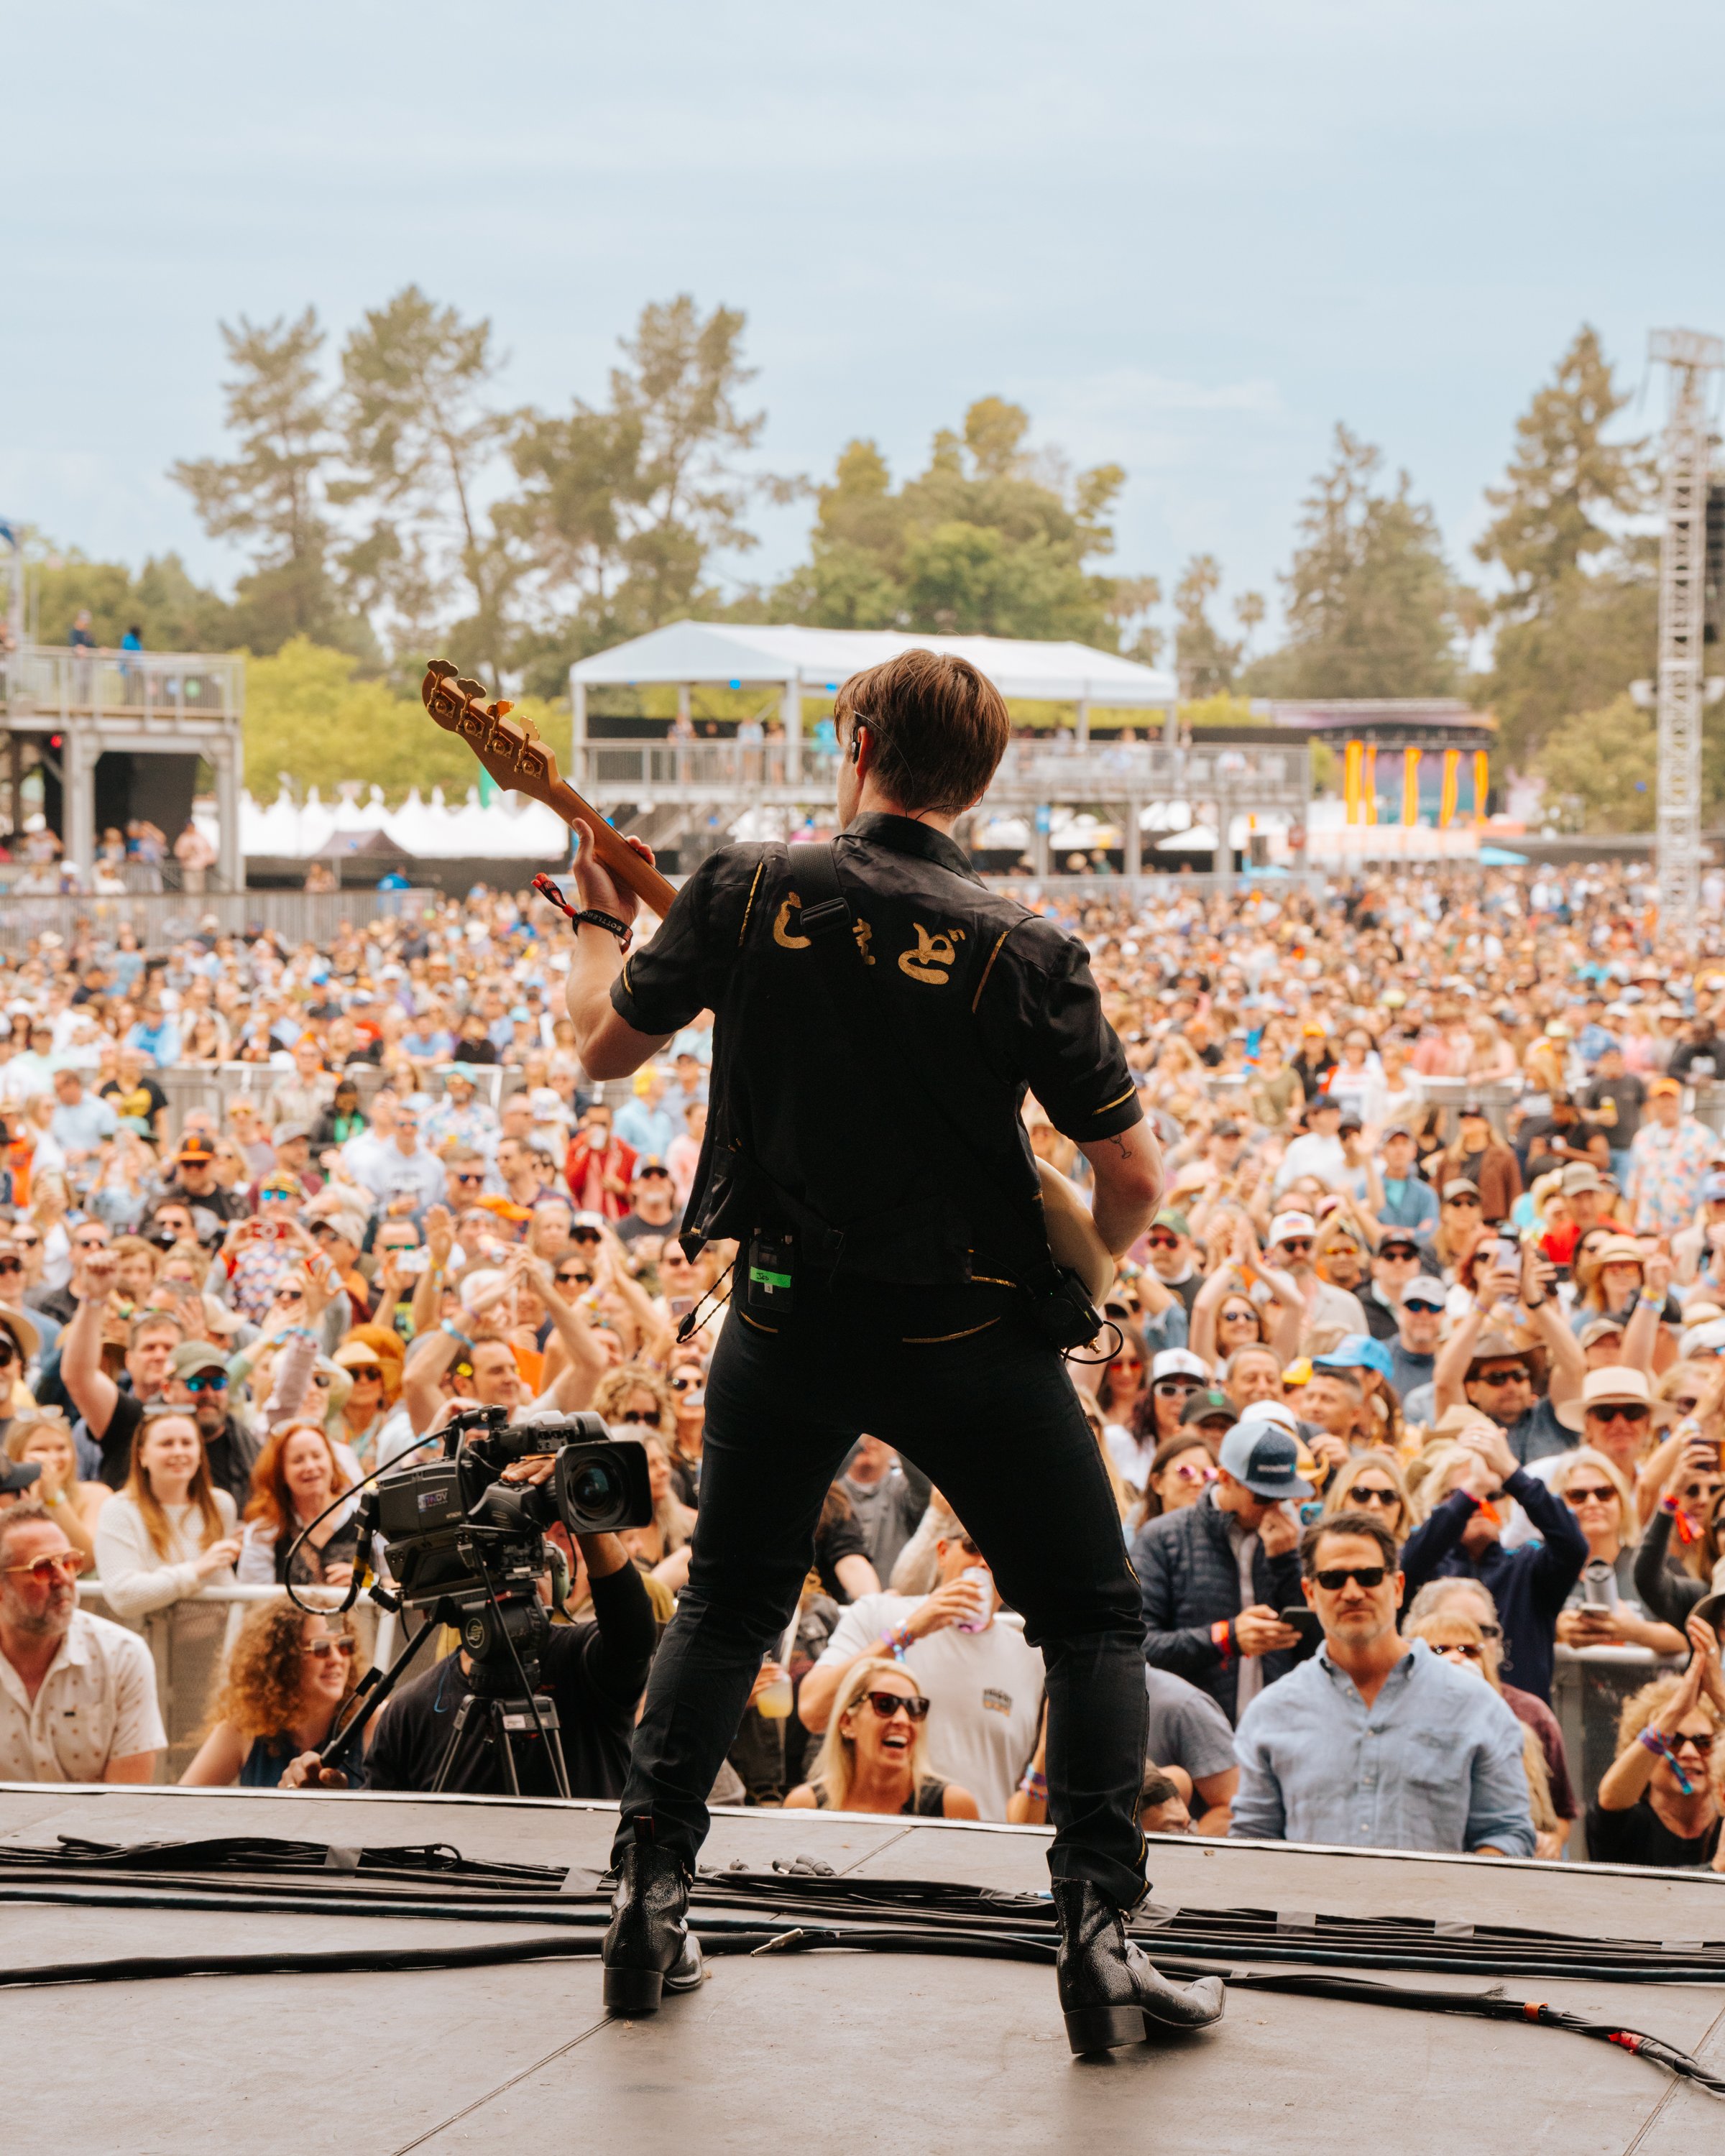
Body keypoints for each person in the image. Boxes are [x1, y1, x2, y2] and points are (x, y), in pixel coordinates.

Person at [563, 648, 1220, 2045]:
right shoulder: (1025, 949)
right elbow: (1136, 1178)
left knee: (727, 1604)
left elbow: (601, 1051)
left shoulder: (747, 887)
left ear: (855, 745)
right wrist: (1086, 1271)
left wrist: (600, 916)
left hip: (786, 1317)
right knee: (1091, 1618)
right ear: (983, 779)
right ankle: (1100, 1941)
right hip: (968, 1332)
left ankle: (643, 1905)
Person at [282, 1507, 657, 1799]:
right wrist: (332, 1807)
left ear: (555, 1575)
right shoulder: (410, 1711)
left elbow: (633, 1630)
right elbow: (381, 1844)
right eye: (488, 1566)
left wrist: (586, 1514)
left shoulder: (585, 1659)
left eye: (526, 1560)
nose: (509, 1581)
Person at [1230, 1511, 1536, 1856]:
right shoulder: (1271, 1712)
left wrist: (1456, 1888)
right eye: (1333, 1579)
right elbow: (1251, 1843)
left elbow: (1507, 1833)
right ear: (1310, 1593)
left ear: (1398, 1587)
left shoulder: (1475, 1704)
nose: (1352, 1592)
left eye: (1369, 1576)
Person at [799, 1510, 1045, 1823]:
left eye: (998, 1556)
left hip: (979, 1845)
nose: (985, 1563)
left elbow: (1025, 1786)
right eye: (973, 1547)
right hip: (878, 1838)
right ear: (943, 1553)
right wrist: (907, 1633)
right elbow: (813, 1711)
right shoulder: (879, 1615)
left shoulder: (1032, 1656)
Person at [1397, 1417, 1588, 1703]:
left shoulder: (1529, 1568)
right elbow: (1406, 1567)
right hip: (1431, 1714)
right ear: (1437, 1505)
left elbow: (1573, 1546)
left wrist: (1512, 1472)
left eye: (1494, 1494)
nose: (1480, 1503)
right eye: (1460, 1494)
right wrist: (1472, 1489)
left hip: (1518, 1720)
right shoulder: (1425, 1566)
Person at [1135, 1418, 1310, 1723]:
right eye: (1264, 1496)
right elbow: (1140, 1645)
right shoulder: (1162, 1537)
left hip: (1276, 1724)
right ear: (1226, 1478)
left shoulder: (1296, 1538)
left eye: (1284, 1495)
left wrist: (1285, 1561)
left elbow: (1313, 1643)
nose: (1275, 1507)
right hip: (1193, 1725)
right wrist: (1226, 1638)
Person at [0, 1499, 165, 1782]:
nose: (63, 1578)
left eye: (69, 1562)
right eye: (43, 1568)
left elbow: (126, 1799)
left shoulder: (123, 1655)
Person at [1586, 1613, 1725, 1868]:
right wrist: (1675, 1712)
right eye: (1673, 1741)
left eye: (1703, 1742)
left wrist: (1719, 1694)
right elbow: (1609, 1800)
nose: (1690, 1753)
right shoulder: (1628, 1824)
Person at [181, 1603, 366, 1789]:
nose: (337, 1659)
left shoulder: (372, 1722)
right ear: (282, 1660)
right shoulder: (244, 1728)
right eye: (320, 1648)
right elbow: (182, 1801)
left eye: (345, 1646)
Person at [92, 1409, 242, 1622]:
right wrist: (196, 1570)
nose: (178, 1452)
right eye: (166, 1444)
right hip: (146, 1638)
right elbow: (122, 1596)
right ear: (142, 1455)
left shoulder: (221, 1505)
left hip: (215, 1636)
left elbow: (221, 1581)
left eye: (187, 1443)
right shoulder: (119, 1510)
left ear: (200, 1453)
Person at [785, 1657, 980, 1818]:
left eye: (914, 1707)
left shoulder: (952, 1805)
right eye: (885, 1704)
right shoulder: (805, 1806)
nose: (903, 1720)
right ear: (847, 1722)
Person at [236, 1422, 357, 1588]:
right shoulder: (264, 1532)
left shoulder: (368, 1514)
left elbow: (392, 1583)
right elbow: (252, 1599)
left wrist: (369, 1582)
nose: (310, 1466)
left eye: (317, 1456)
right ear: (281, 1473)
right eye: (297, 1460)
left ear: (332, 1461)